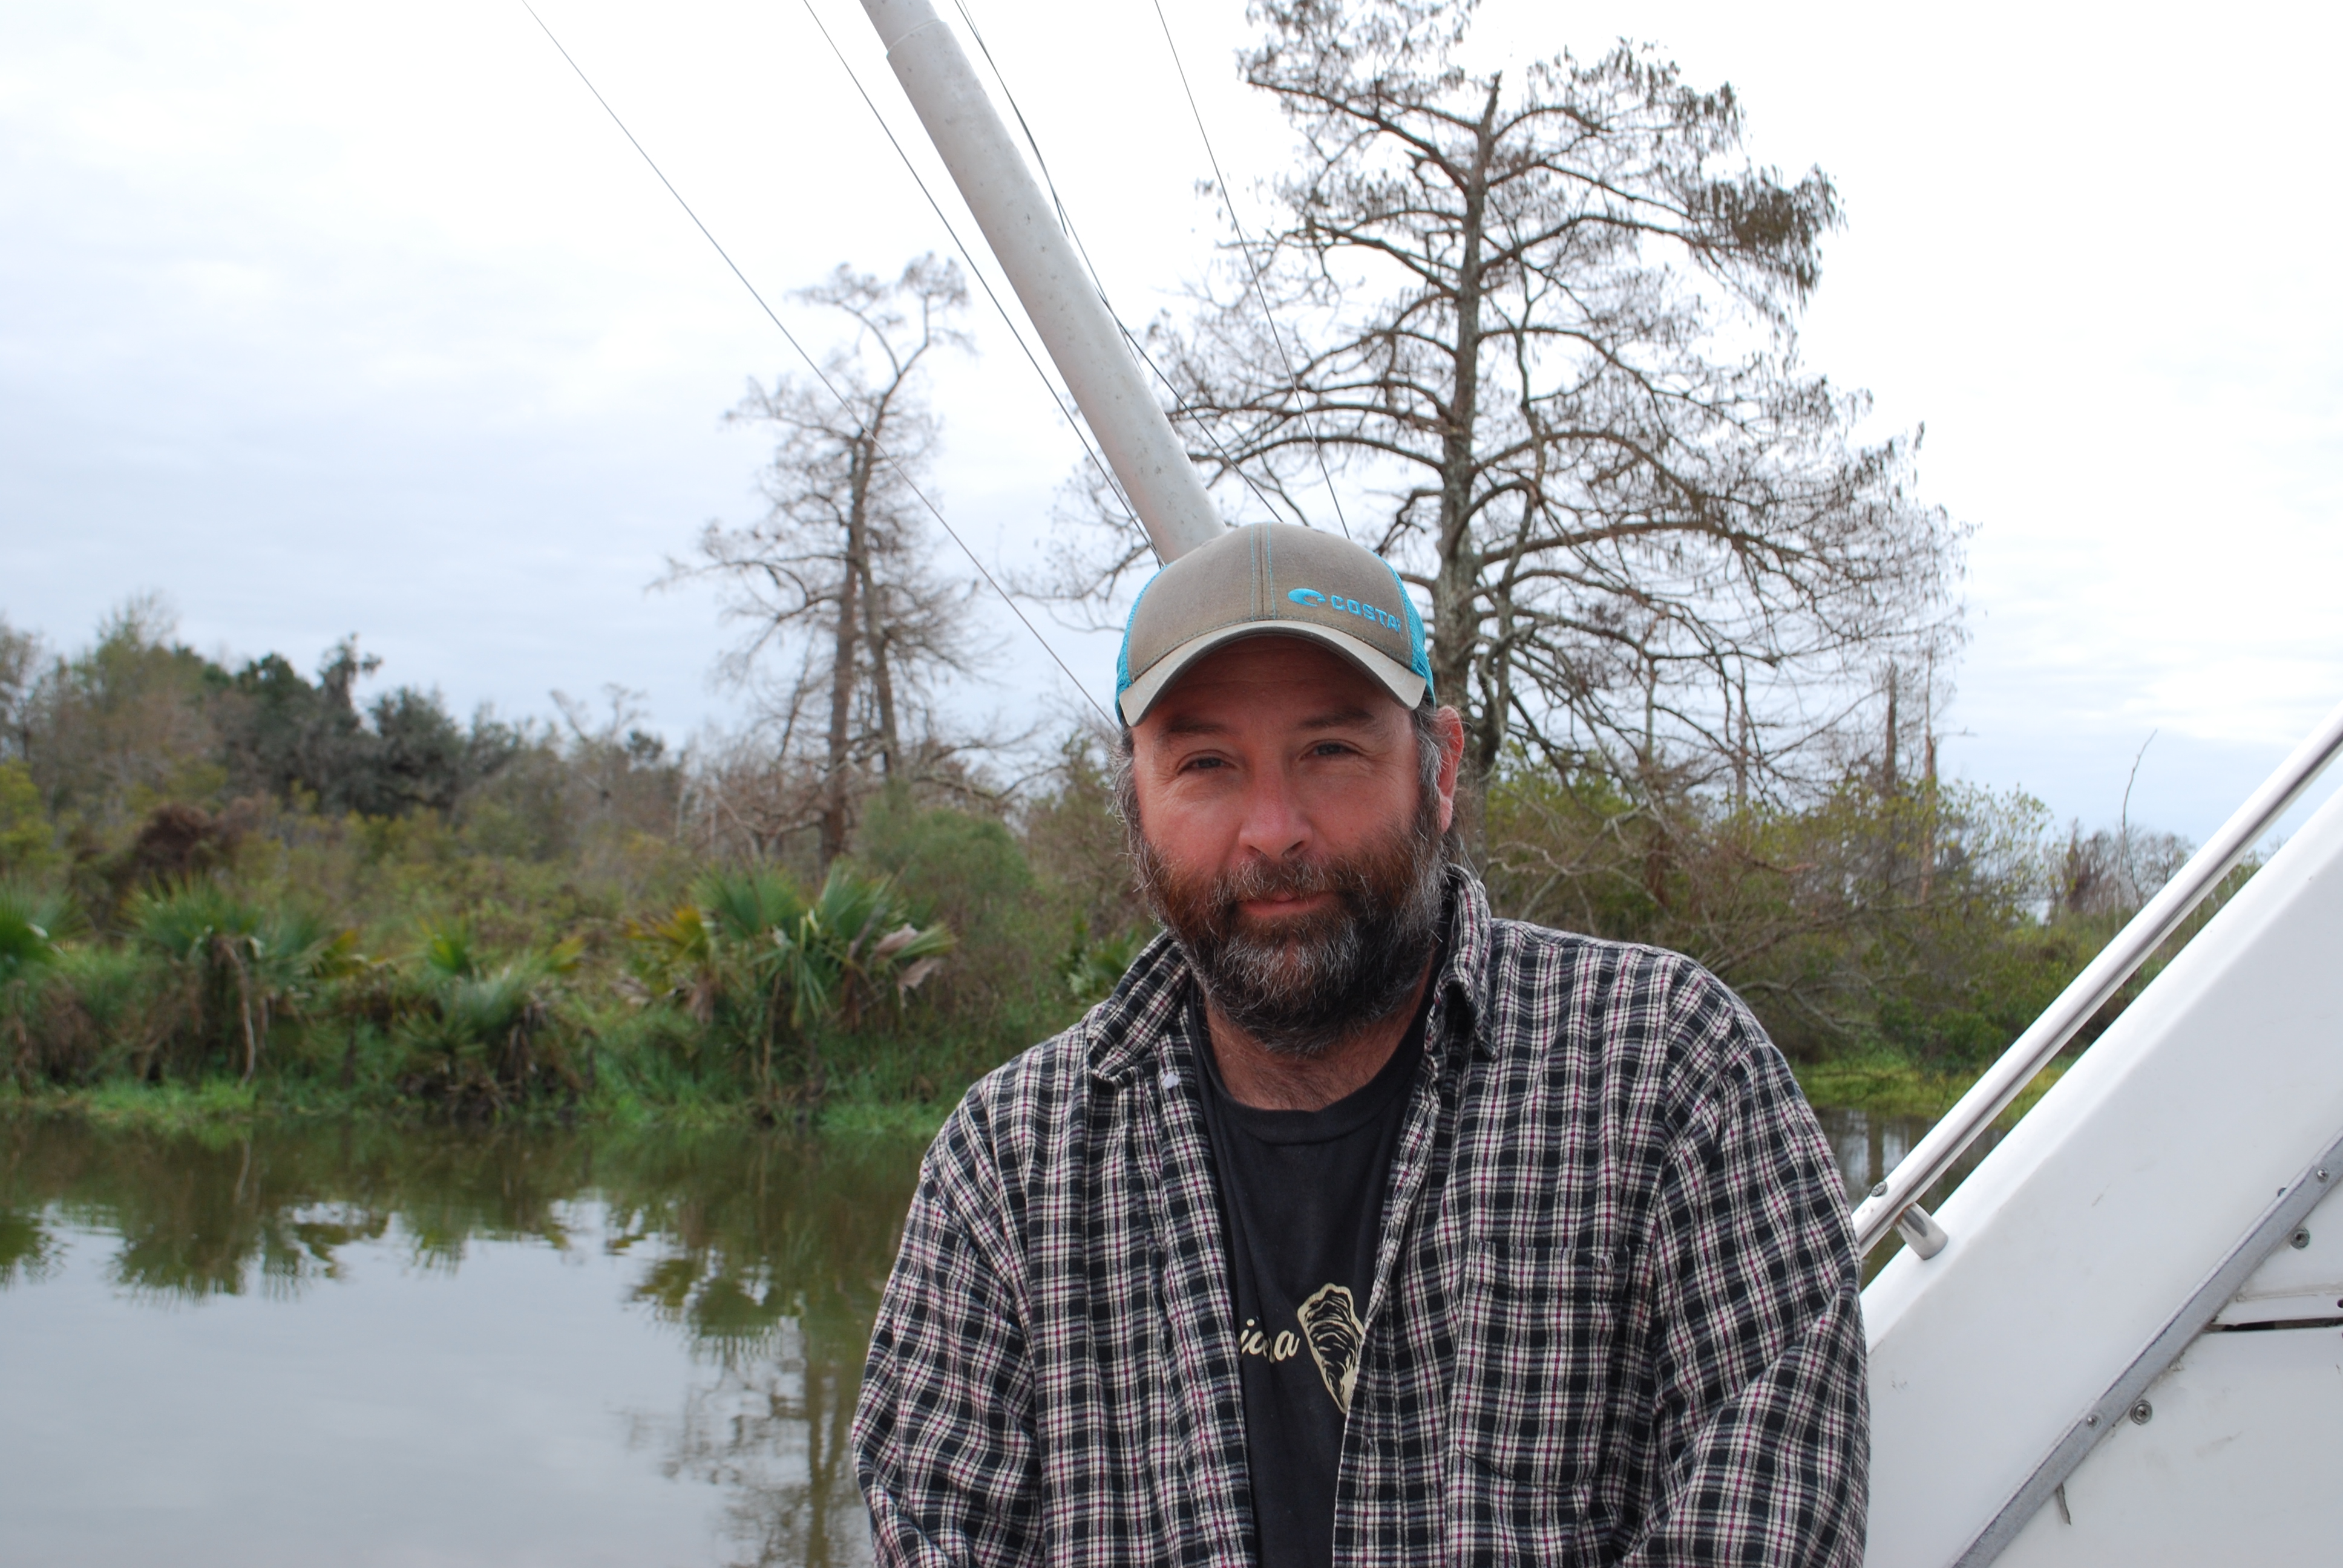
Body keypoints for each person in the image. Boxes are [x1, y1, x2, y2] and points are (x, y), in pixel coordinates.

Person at [852, 523, 1867, 1566]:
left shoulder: (1672, 1077)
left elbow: (1769, 1530)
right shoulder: (1008, 1167)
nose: (1275, 830)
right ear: (1136, 810)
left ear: (1439, 770)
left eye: (1331, 751)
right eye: (1206, 764)